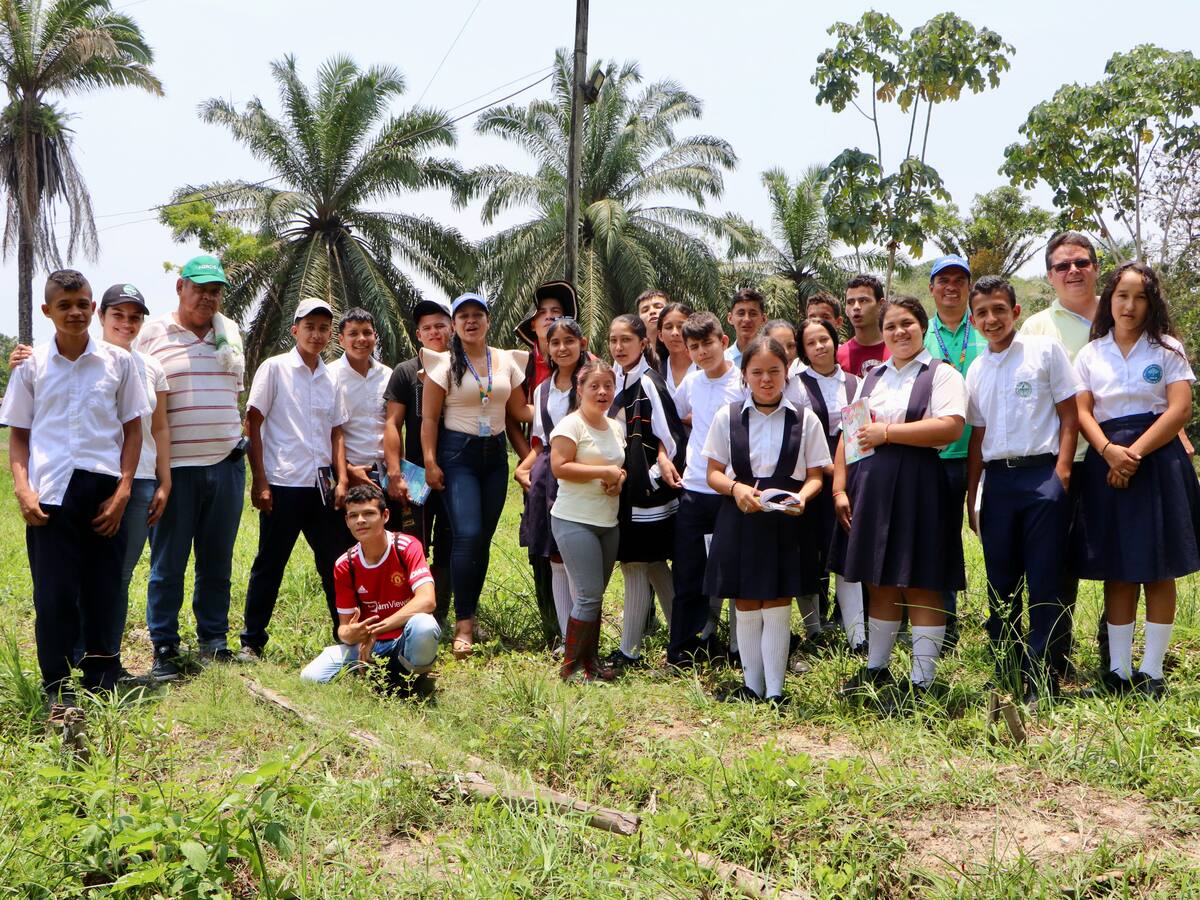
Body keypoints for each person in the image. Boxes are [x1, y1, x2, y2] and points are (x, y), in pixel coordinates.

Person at [8, 283, 172, 675]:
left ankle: (101, 676)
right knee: (54, 594)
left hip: (104, 491)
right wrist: (22, 489)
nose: (75, 312)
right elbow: (19, 433)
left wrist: (122, 492)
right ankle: (57, 682)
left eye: (82, 304)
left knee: (104, 589)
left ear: (93, 307)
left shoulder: (119, 362)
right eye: (64, 305)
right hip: (50, 492)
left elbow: (134, 431)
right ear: (48, 310)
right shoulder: (32, 365)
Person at [832, 295, 967, 711]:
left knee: (922, 580)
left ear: (922, 326)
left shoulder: (941, 375)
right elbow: (850, 435)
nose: (899, 332)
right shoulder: (871, 378)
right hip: (869, 485)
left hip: (920, 486)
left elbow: (950, 427)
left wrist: (888, 433)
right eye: (891, 326)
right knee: (880, 577)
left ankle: (923, 680)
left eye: (907, 323)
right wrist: (840, 488)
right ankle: (877, 666)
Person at [1072, 262, 1200, 698]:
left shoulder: (1167, 349)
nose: (1129, 305)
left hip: (1158, 461)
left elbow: (1179, 410)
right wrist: (1109, 452)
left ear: (1152, 303)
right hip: (1105, 464)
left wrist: (1135, 454)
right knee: (1118, 569)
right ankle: (1119, 672)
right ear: (1109, 299)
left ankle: (1152, 672)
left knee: (1159, 569)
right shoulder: (1091, 353)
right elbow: (1083, 411)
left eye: (1140, 296)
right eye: (1121, 295)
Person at [964, 276, 1079, 706]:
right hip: (998, 483)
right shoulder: (976, 369)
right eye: (982, 313)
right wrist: (971, 495)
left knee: (1045, 580)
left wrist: (1062, 474)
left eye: (998, 309)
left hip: (1042, 477)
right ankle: (1007, 671)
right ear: (974, 321)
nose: (991, 319)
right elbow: (978, 438)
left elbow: (1070, 415)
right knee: (1001, 582)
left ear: (1014, 312)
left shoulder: (1044, 351)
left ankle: (1042, 679)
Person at [136, 255, 246, 680]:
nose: (208, 297)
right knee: (168, 564)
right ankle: (164, 645)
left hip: (226, 466)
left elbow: (234, 395)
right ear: (180, 286)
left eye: (215, 290)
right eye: (200, 288)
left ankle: (213, 640)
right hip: (175, 471)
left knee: (217, 561)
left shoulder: (229, 334)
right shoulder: (153, 334)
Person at [703, 336, 829, 704]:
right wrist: (736, 489)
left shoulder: (805, 420)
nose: (766, 379)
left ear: (787, 372)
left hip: (785, 521)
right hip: (740, 519)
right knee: (745, 601)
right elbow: (712, 472)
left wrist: (802, 498)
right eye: (756, 372)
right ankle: (751, 686)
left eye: (774, 371)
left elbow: (818, 475)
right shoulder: (727, 417)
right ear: (744, 375)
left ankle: (775, 691)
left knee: (777, 601)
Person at [422, 293, 532, 659]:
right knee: (466, 535)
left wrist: (563, 401)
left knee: (482, 538)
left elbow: (519, 410)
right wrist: (430, 461)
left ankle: (470, 611)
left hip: (494, 457)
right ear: (454, 324)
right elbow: (428, 420)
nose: (471, 321)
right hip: (457, 455)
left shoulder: (506, 361)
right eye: (463, 316)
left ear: (488, 320)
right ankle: (463, 625)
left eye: (477, 315)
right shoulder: (443, 364)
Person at [240, 298, 350, 659]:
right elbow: (253, 423)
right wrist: (260, 481)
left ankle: (345, 635)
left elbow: (336, 431)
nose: (316, 335)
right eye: (309, 327)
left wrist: (343, 479)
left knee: (334, 562)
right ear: (295, 330)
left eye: (323, 328)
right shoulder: (274, 369)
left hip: (322, 488)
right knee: (270, 563)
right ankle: (252, 641)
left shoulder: (330, 376)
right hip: (283, 483)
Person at [1020, 231, 1102, 679]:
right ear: (1050, 275)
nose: (1073, 271)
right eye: (1062, 265)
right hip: (1060, 462)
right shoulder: (1036, 328)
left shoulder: (1120, 315)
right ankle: (1054, 659)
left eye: (1082, 262)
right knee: (1056, 563)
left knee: (1121, 559)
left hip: (1120, 459)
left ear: (1096, 266)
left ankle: (1115, 655)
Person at [299, 483, 441, 688]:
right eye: (353, 516)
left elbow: (427, 600)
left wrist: (376, 629)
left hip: (403, 639)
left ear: (385, 516)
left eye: (369, 513)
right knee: (310, 677)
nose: (361, 521)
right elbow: (344, 630)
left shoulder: (407, 547)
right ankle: (379, 674)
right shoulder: (345, 564)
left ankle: (413, 682)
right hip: (367, 645)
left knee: (424, 626)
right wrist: (354, 633)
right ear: (347, 521)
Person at [606, 314, 687, 668]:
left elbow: (672, 438)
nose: (619, 346)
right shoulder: (612, 382)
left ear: (643, 344)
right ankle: (684, 641)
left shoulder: (650, 383)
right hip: (625, 492)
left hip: (647, 495)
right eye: (613, 340)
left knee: (635, 564)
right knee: (652, 563)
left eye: (626, 340)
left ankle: (630, 652)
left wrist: (653, 474)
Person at [669, 311, 745, 665]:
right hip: (694, 489)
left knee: (735, 574)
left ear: (724, 342)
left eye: (708, 343)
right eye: (694, 346)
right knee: (689, 573)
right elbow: (680, 415)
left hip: (733, 491)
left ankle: (738, 648)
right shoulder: (691, 383)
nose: (702, 352)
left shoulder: (743, 381)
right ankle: (685, 647)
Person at [549, 358, 627, 681]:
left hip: (607, 523)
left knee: (594, 596)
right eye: (593, 386)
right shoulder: (571, 425)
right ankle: (571, 670)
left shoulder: (615, 426)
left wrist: (618, 479)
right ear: (579, 390)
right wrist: (603, 472)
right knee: (588, 595)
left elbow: (619, 466)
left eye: (608, 385)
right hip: (573, 521)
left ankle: (590, 663)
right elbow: (560, 467)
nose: (602, 392)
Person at [924, 255, 987, 646]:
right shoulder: (918, 332)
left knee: (992, 534)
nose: (951, 286)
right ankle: (945, 625)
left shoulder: (984, 327)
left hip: (985, 452)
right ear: (931, 288)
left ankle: (1003, 623)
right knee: (939, 540)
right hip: (935, 457)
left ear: (968, 286)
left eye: (959, 280)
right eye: (942, 279)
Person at [514, 317, 588, 642]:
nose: (562, 348)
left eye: (569, 341)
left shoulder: (591, 384)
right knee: (556, 557)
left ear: (582, 344)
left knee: (577, 558)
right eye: (555, 343)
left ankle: (585, 641)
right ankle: (566, 638)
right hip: (548, 480)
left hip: (582, 476)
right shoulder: (542, 390)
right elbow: (542, 441)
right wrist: (522, 467)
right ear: (546, 348)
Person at [796, 318, 865, 653]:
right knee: (808, 557)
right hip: (811, 484)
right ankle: (815, 630)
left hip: (850, 481)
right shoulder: (795, 385)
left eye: (824, 339)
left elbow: (862, 434)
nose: (820, 346)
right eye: (811, 342)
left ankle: (858, 637)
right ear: (803, 350)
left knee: (847, 556)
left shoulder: (857, 383)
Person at [383, 299, 454, 627]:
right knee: (413, 546)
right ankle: (408, 615)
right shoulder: (405, 372)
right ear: (418, 335)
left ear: (451, 328)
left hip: (458, 473)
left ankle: (440, 614)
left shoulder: (466, 369)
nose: (434, 332)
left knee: (452, 545)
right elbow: (392, 424)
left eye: (440, 325)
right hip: (415, 476)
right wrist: (395, 473)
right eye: (427, 328)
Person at [329, 307, 391, 509]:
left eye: (367, 332)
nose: (361, 339)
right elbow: (325, 431)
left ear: (375, 336)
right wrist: (346, 472)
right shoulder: (329, 376)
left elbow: (393, 424)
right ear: (341, 339)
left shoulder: (388, 375)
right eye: (353, 333)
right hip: (349, 475)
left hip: (387, 474)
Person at [837, 274, 889, 376]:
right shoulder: (838, 357)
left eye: (863, 300)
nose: (856, 307)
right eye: (850, 302)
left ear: (881, 305)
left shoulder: (899, 351)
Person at [657, 300, 697, 398]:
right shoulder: (655, 373)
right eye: (668, 327)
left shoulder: (705, 368)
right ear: (660, 335)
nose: (675, 332)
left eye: (681, 326)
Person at [725, 288, 766, 366]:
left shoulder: (772, 357)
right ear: (730, 318)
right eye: (741, 313)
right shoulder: (723, 360)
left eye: (753, 314)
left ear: (763, 319)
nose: (747, 319)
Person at [636, 289, 670, 362]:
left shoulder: (685, 348)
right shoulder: (632, 354)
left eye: (658, 307)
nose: (652, 311)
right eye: (645, 310)